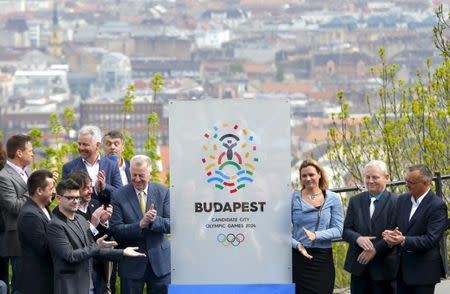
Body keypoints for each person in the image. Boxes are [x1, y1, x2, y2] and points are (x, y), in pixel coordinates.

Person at [46, 179, 145, 294]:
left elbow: (94, 250)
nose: (75, 201)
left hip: (90, 284)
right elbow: (71, 256)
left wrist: (123, 252)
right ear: (58, 198)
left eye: (77, 198)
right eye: (70, 198)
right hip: (70, 287)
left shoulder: (81, 219)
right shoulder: (55, 225)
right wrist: (97, 246)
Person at [383, 164, 447, 294]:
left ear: (425, 183)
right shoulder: (402, 200)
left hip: (424, 272)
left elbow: (431, 240)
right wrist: (390, 235)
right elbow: (393, 226)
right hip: (401, 271)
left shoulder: (437, 206)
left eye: (411, 182)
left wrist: (403, 240)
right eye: (406, 180)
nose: (406, 185)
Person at [110, 155, 170, 294]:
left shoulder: (163, 192)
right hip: (132, 264)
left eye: (141, 175)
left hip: (159, 264)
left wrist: (154, 221)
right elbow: (116, 230)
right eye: (133, 175)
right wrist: (140, 224)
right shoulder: (118, 195)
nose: (137, 179)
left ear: (150, 173)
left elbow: (171, 224)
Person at [343, 160, 398, 294]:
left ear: (386, 177)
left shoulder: (396, 202)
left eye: (375, 177)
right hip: (359, 267)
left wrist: (374, 249)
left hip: (383, 268)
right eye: (367, 177)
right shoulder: (355, 201)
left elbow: (395, 233)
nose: (370, 181)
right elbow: (345, 230)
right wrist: (358, 238)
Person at [291, 159, 344, 294]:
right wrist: (297, 245)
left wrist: (316, 235)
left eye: (311, 174)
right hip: (299, 257)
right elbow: (280, 232)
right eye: (304, 176)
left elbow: (339, 230)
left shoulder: (333, 198)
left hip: (323, 258)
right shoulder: (293, 199)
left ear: (319, 174)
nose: (308, 178)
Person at [68, 170, 113, 294]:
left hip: (100, 270)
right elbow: (79, 243)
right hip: (81, 272)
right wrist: (93, 224)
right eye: (85, 188)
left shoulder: (95, 204)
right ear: (75, 190)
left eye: (90, 187)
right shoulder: (68, 211)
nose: (90, 191)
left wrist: (104, 222)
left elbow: (105, 239)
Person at [0, 134, 33, 294]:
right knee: (18, 284)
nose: (33, 154)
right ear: (19, 153)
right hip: (15, 238)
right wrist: (35, 189)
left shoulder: (28, 172)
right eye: (30, 151)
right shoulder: (3, 176)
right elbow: (13, 206)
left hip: (33, 235)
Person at [17, 169, 56, 294]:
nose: (54, 192)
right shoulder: (30, 215)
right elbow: (44, 248)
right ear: (39, 191)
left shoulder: (44, 207)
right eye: (51, 188)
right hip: (37, 282)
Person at [62, 125, 122, 204]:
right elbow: (66, 195)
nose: (81, 148)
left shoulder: (112, 165)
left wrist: (104, 186)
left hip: (107, 213)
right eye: (79, 144)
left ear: (97, 145)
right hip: (81, 215)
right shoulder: (69, 168)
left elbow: (120, 193)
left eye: (85, 145)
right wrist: (93, 190)